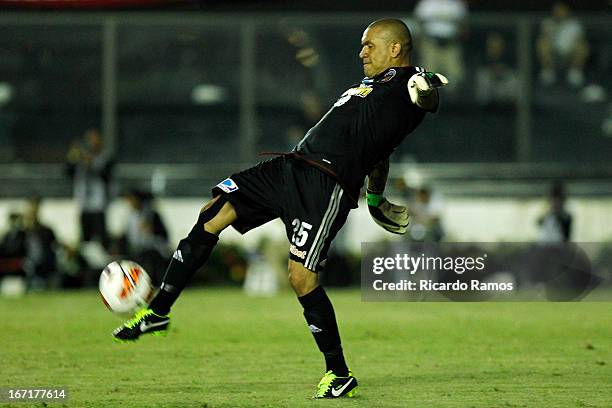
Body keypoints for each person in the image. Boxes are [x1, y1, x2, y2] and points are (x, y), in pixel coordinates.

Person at [112, 18, 448, 399]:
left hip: (325, 186)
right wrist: (375, 198)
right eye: (362, 44)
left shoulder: (409, 83)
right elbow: (380, 151)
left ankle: (338, 373)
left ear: (396, 49)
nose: (361, 52)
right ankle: (158, 312)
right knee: (212, 213)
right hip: (291, 166)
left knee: (301, 278)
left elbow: (428, 94)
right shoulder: (374, 87)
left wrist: (425, 85)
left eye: (370, 45)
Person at [66, 128, 114, 249]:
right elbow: (68, 173)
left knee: (101, 238)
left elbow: (107, 175)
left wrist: (92, 164)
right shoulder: (80, 157)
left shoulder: (105, 156)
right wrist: (71, 159)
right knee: (85, 238)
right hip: (84, 203)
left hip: (98, 204)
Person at [414, 0, 467, 93]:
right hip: (431, 44)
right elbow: (418, 22)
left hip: (450, 44)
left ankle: (452, 102)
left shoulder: (456, 4)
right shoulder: (427, 3)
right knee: (428, 76)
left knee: (454, 77)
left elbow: (463, 24)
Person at [537, 1, 590, 88]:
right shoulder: (548, 22)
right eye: (556, 10)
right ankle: (548, 72)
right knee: (542, 43)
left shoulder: (574, 24)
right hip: (553, 53)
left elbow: (580, 39)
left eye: (561, 10)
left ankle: (575, 72)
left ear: (567, 11)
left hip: (570, 53)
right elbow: (544, 37)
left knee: (582, 46)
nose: (558, 12)